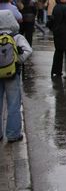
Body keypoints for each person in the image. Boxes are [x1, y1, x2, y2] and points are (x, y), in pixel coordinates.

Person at [0, 10, 32, 142]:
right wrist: (17, 60)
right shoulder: (17, 37)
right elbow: (28, 51)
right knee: (13, 103)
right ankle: (13, 134)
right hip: (12, 73)